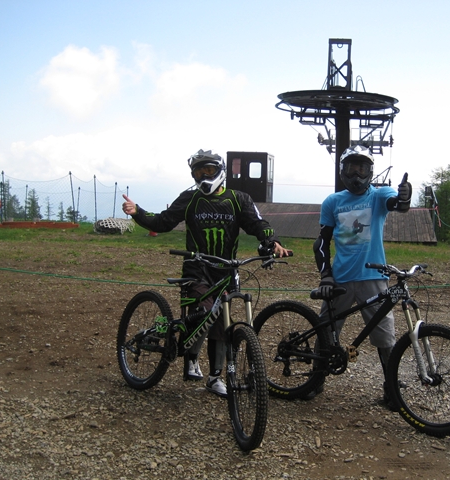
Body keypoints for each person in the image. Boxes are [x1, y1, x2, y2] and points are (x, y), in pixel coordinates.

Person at [122, 149, 290, 398]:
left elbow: (258, 224)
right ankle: (191, 357)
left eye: (208, 171)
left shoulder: (238, 199)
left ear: (220, 171)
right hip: (196, 268)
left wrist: (272, 242)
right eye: (198, 172)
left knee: (222, 325)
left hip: (227, 271)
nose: (203, 176)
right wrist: (138, 212)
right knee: (204, 311)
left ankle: (215, 378)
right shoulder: (189, 198)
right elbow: (163, 222)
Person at [310, 145, 412, 403]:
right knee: (326, 330)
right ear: (342, 171)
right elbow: (321, 242)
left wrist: (404, 197)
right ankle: (315, 381)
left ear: (370, 172)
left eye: (362, 169)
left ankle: (391, 389)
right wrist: (325, 276)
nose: (356, 175)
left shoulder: (379, 195)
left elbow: (396, 204)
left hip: (373, 278)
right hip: (340, 279)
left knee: (384, 335)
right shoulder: (333, 202)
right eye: (351, 169)